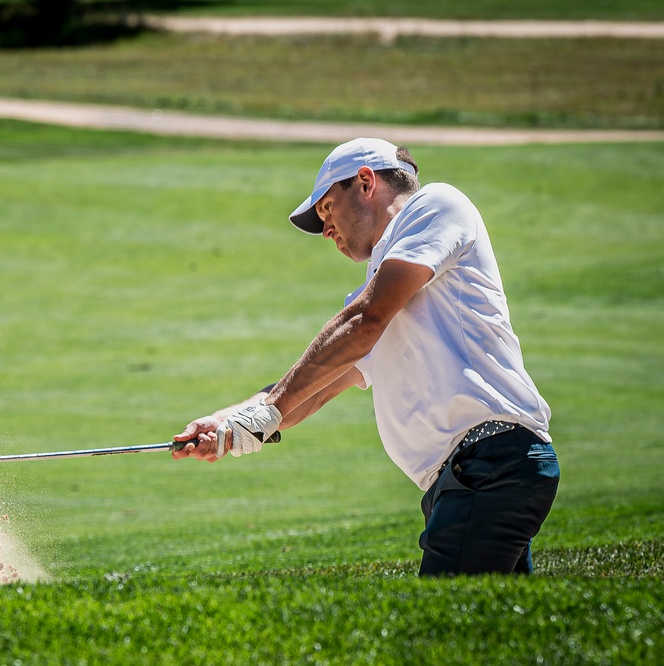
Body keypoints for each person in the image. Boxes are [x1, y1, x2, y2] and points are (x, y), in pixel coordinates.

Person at [173, 138, 560, 576]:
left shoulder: (437, 205)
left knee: (441, 631)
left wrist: (268, 412)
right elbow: (311, 393)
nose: (327, 230)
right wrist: (226, 421)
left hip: (491, 462)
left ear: (364, 181)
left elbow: (366, 321)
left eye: (326, 210)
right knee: (500, 637)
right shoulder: (375, 294)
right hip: (463, 480)